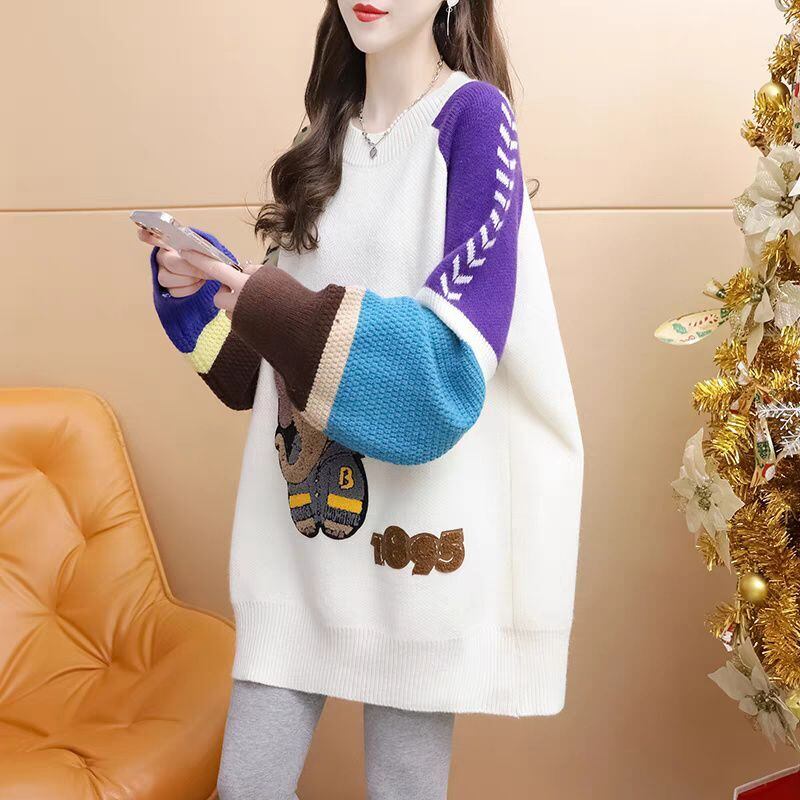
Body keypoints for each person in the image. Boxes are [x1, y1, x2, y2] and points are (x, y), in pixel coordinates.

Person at [136, 1, 584, 797]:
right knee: (245, 789)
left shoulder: (475, 123)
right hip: (293, 551)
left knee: (402, 790)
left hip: (413, 553)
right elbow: (266, 378)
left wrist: (261, 295)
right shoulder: (323, 141)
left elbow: (441, 376)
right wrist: (202, 293)